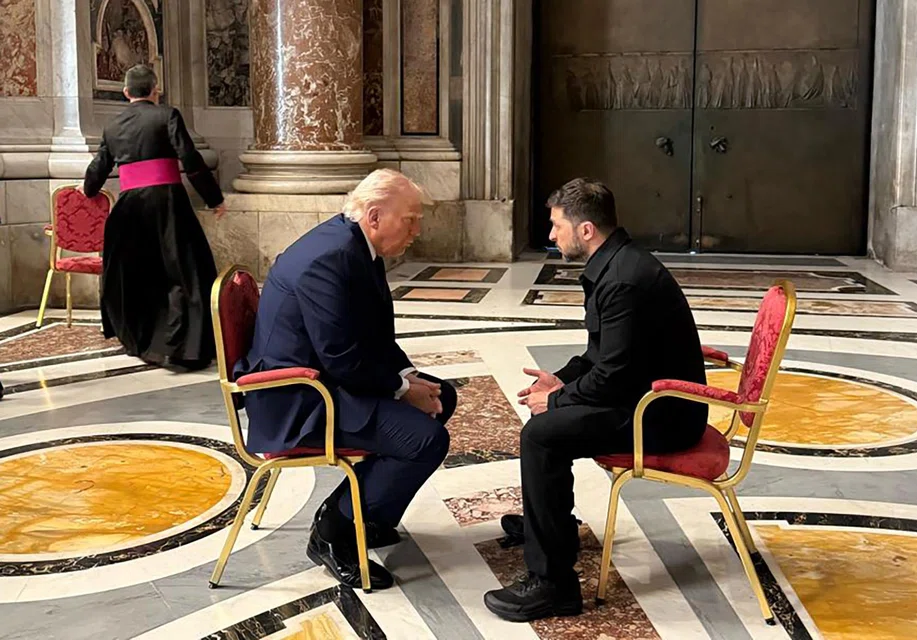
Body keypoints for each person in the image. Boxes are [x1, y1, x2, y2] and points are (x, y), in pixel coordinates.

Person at [483, 178, 708, 622]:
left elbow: (613, 376)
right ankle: (552, 530)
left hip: (661, 415)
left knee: (542, 435)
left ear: (585, 230)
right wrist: (560, 380)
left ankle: (553, 585)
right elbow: (600, 356)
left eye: (557, 226)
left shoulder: (623, 280)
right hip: (644, 397)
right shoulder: (617, 265)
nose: (552, 235)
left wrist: (558, 401)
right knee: (546, 428)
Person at [235, 169, 457, 590]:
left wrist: (408, 376)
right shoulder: (330, 258)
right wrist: (402, 390)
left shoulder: (354, 245)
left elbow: (370, 334)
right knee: (426, 441)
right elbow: (341, 356)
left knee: (442, 396)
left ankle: (368, 514)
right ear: (374, 216)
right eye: (410, 219)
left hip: (326, 379)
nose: (417, 230)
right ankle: (333, 530)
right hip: (298, 398)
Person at [83, 64, 225, 371]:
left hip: (129, 207)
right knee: (185, 271)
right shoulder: (167, 115)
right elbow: (190, 159)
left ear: (126, 92)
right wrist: (214, 198)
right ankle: (184, 346)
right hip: (168, 203)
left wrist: (89, 190)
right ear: (155, 89)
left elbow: (99, 166)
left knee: (137, 274)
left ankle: (142, 340)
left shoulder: (112, 125)